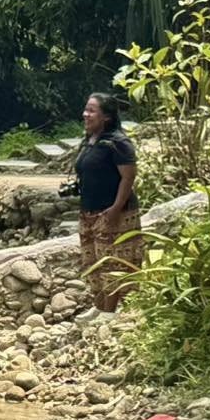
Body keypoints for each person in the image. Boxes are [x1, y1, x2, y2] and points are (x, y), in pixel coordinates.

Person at [75, 92, 139, 311]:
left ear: (107, 117)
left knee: (111, 260)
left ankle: (109, 312)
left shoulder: (118, 142)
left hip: (114, 212)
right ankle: (98, 306)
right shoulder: (89, 141)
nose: (86, 114)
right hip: (89, 211)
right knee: (92, 261)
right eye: (86, 109)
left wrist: (115, 208)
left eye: (92, 111)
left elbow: (128, 177)